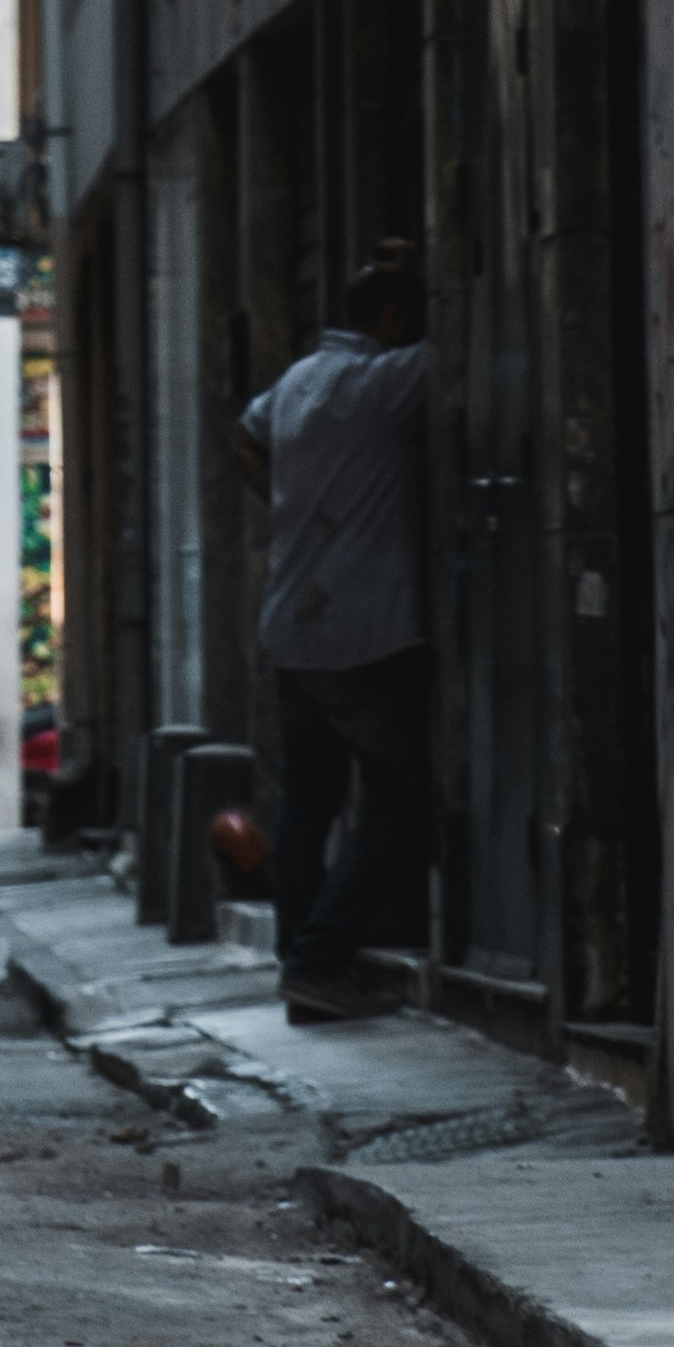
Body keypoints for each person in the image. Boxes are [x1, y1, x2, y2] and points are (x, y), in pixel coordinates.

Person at [237, 249, 431, 1022]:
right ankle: (320, 957)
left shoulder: (295, 383)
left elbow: (243, 438)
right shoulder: (386, 380)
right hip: (363, 628)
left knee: (307, 801)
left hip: (292, 622)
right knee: (399, 795)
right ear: (388, 319)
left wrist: (288, 505)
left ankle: (299, 959)